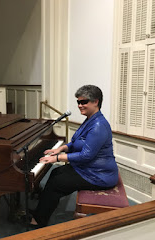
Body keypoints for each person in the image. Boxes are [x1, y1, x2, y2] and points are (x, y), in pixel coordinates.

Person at [30, 85, 118, 228]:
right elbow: (77, 142)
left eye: (84, 102)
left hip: (99, 175)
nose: (80, 105)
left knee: (56, 182)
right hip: (88, 169)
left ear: (96, 102)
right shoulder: (90, 119)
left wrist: (57, 158)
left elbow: (85, 156)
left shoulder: (98, 126)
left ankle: (39, 220)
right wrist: (61, 149)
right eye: (78, 102)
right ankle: (42, 211)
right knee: (56, 173)